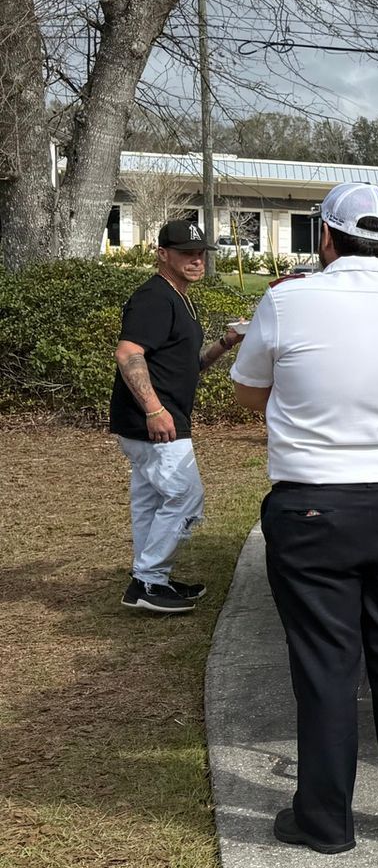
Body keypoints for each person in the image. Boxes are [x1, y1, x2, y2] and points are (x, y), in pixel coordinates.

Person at [230, 182, 378, 856]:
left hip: (315, 502)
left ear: (325, 238)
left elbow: (247, 391)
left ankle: (326, 822)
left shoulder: (287, 300)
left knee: (326, 663)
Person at [110, 217, 243, 614]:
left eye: (201, 253)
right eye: (186, 253)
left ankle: (149, 579)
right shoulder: (154, 297)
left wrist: (226, 342)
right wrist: (153, 409)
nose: (196, 260)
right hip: (154, 419)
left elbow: (189, 365)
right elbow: (128, 353)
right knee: (187, 497)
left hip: (156, 417)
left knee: (151, 501)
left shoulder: (179, 296)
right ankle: (149, 580)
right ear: (162, 254)